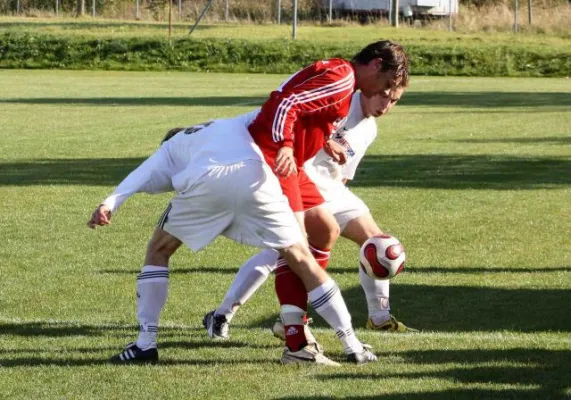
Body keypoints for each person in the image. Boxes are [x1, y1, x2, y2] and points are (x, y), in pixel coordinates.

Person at [87, 115, 376, 366]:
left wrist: (110, 203)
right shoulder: (227, 123)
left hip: (208, 182)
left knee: (159, 249)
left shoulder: (170, 148)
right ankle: (352, 345)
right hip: (258, 180)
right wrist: (324, 138)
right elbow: (278, 114)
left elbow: (142, 174)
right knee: (300, 257)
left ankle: (145, 344)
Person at [204, 87, 417, 348]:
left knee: (377, 243)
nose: (386, 105)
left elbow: (344, 173)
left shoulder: (370, 129)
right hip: (300, 183)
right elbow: (295, 124)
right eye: (383, 95)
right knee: (279, 254)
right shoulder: (340, 101)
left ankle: (379, 317)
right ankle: (221, 315)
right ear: (371, 85)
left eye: (394, 100)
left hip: (333, 190)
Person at [241, 40, 410, 360]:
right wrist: (287, 146)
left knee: (324, 232)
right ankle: (312, 340)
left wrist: (325, 142)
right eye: (386, 86)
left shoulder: (346, 86)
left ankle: (303, 334)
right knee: (293, 250)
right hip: (278, 162)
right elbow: (285, 103)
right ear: (375, 65)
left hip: (299, 174)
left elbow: (304, 112)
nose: (384, 95)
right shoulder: (343, 77)